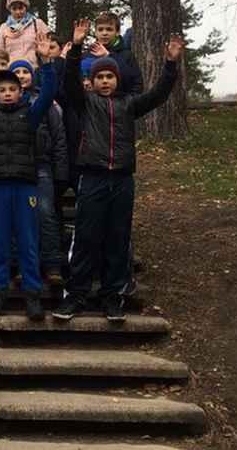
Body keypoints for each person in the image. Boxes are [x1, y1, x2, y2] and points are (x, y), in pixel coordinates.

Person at [54, 20, 184, 322]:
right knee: (85, 238)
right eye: (99, 77)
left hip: (122, 180)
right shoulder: (85, 103)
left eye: (110, 76)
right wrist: (75, 48)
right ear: (93, 81)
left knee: (117, 239)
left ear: (118, 79)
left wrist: (170, 65)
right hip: (93, 177)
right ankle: (75, 295)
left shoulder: (129, 104)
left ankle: (112, 297)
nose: (105, 81)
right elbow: (70, 81)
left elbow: (159, 95)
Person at [0, 32, 58, 321]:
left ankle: (33, 295)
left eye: (12, 89)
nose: (7, 93)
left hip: (25, 185)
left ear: (20, 92)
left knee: (29, 241)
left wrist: (46, 62)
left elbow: (48, 94)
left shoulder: (30, 115)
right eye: (2, 89)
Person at [9, 59, 70, 286]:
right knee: (20, 218)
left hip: (42, 166)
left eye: (25, 71)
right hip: (16, 168)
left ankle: (53, 265)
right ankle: (24, 265)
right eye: (17, 72)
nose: (21, 75)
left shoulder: (45, 103)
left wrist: (60, 172)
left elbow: (59, 138)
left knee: (45, 213)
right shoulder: (5, 102)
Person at [0, 0, 50, 68]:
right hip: (11, 69)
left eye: (21, 8)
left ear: (26, 8)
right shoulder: (4, 27)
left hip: (33, 69)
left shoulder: (38, 24)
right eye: (14, 9)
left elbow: (50, 45)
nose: (18, 12)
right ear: (10, 10)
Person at [92, 11, 142, 94]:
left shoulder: (127, 55)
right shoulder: (88, 55)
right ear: (95, 33)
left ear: (117, 32)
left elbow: (136, 85)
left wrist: (109, 56)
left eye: (109, 29)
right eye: (100, 29)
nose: (104, 33)